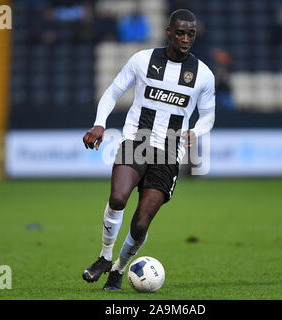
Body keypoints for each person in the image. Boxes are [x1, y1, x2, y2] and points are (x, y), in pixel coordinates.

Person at [81, 9, 215, 291]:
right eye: (180, 32)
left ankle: (119, 269)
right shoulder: (143, 60)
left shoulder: (203, 74)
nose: (185, 38)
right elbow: (113, 91)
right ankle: (105, 256)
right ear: (169, 31)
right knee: (118, 197)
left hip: (169, 150)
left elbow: (208, 116)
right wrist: (99, 124)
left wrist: (195, 132)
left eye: (190, 33)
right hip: (137, 139)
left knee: (141, 223)